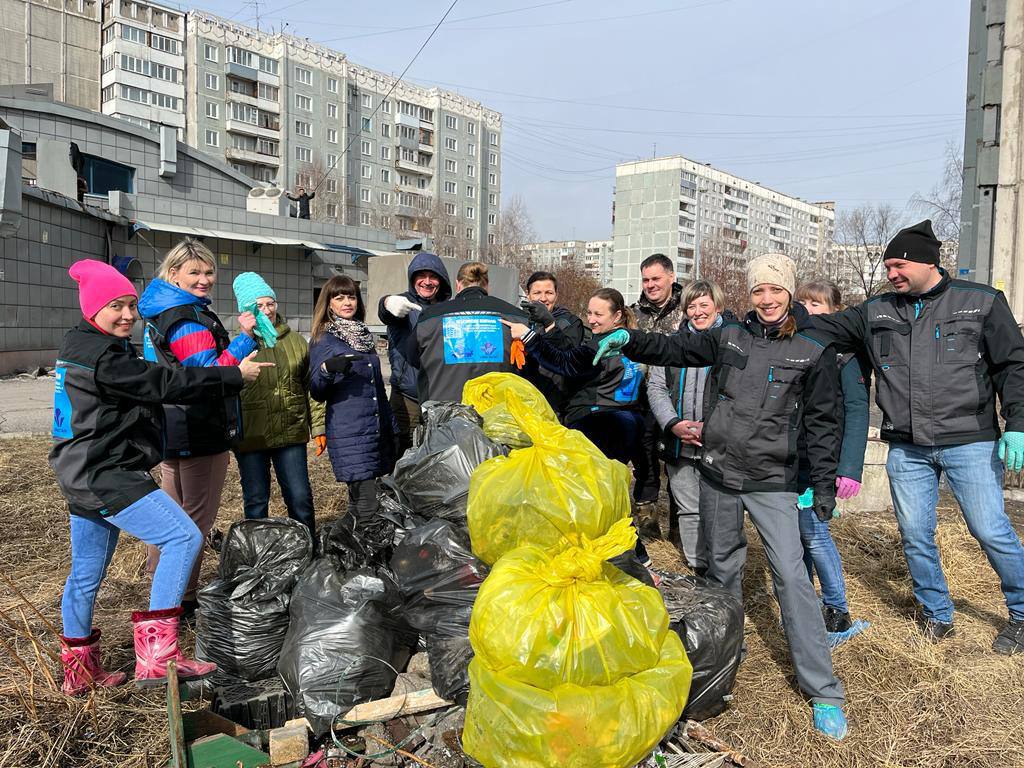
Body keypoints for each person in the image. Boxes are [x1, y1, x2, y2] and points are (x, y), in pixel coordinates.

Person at [594, 253, 848, 740]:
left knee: (792, 578)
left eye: (776, 290)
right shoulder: (728, 335)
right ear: (749, 296)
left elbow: (823, 423)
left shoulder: (812, 350)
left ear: (790, 293)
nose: (767, 299)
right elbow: (676, 350)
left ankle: (823, 689)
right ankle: (726, 651)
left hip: (773, 479)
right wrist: (633, 338)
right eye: (758, 291)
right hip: (719, 472)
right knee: (721, 569)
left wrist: (822, 485)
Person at [51, 260, 269, 693]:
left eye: (132, 305)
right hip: (106, 473)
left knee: (85, 575)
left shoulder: (78, 345)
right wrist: (232, 375)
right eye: (116, 306)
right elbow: (166, 382)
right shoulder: (103, 357)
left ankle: (78, 673)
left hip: (79, 471)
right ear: (93, 307)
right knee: (183, 537)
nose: (128, 315)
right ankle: (157, 659)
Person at [813, 220, 1024, 654]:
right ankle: (936, 612)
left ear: (928, 261)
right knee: (914, 532)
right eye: (888, 266)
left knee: (990, 530)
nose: (891, 273)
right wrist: (765, 317)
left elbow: (1012, 367)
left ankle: (1021, 614)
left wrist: (1018, 424)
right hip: (907, 446)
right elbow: (825, 327)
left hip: (970, 440)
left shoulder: (981, 302)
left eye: (898, 264)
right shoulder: (876, 310)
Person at [138, 239, 259, 615]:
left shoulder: (163, 311)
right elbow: (205, 373)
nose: (204, 279)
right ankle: (180, 601)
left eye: (208, 272)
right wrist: (244, 346)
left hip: (172, 425)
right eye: (195, 272)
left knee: (172, 516)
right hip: (198, 426)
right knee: (194, 522)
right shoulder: (185, 317)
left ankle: (161, 595)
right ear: (173, 273)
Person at [795, 280, 870, 638]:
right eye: (805, 303)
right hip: (794, 456)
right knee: (797, 536)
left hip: (823, 459)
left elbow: (856, 409)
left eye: (818, 305)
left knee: (814, 533)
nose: (809, 310)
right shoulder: (797, 346)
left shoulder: (844, 355)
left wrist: (850, 466)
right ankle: (806, 601)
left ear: (834, 312)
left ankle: (837, 608)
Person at [231, 272, 325, 537]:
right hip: (251, 436)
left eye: (270, 303)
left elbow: (311, 387)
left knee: (299, 498)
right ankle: (259, 555)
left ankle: (307, 548)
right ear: (245, 310)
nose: (267, 310)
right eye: (258, 306)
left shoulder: (296, 342)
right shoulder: (237, 344)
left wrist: (318, 426)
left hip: (290, 432)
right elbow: (224, 387)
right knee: (256, 500)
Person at [646, 279, 726, 572]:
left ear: (717, 306)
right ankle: (698, 568)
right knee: (689, 510)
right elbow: (656, 387)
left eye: (704, 304)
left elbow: (737, 394)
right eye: (691, 306)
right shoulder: (672, 344)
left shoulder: (732, 343)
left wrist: (711, 426)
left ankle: (722, 570)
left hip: (716, 444)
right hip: (679, 443)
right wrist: (673, 423)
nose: (697, 312)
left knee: (718, 512)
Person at [309, 275, 398, 524]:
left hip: (375, 429)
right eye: (339, 297)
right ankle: (368, 559)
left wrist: (390, 425)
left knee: (363, 503)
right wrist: (327, 369)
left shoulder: (362, 336)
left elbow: (378, 387)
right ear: (329, 303)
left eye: (351, 296)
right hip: (350, 432)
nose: (347, 302)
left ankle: (349, 551)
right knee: (367, 505)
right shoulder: (324, 339)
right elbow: (316, 389)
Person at [409, 261, 528, 403]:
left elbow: (412, 356)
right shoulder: (516, 316)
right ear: (487, 286)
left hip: (444, 410)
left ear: (458, 285)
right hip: (498, 411)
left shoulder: (430, 316)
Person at [630, 253, 687, 537]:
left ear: (671, 277)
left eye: (656, 278)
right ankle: (648, 525)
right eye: (645, 279)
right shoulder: (634, 313)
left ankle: (681, 526)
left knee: (678, 464)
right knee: (645, 460)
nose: (650, 285)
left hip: (679, 398)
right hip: (641, 397)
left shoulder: (689, 309)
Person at [378, 252, 452, 453]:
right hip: (407, 396)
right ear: (412, 279)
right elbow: (385, 311)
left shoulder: (449, 309)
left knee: (437, 453)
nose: (427, 282)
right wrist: (387, 302)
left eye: (433, 276)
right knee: (402, 451)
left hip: (440, 397)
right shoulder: (402, 304)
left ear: (442, 280)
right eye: (421, 276)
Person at [519, 270, 585, 416]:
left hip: (556, 403)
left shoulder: (570, 321)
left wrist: (549, 324)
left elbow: (569, 354)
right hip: (523, 400)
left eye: (549, 293)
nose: (543, 298)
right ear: (528, 295)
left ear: (556, 295)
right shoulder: (518, 319)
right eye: (537, 293)